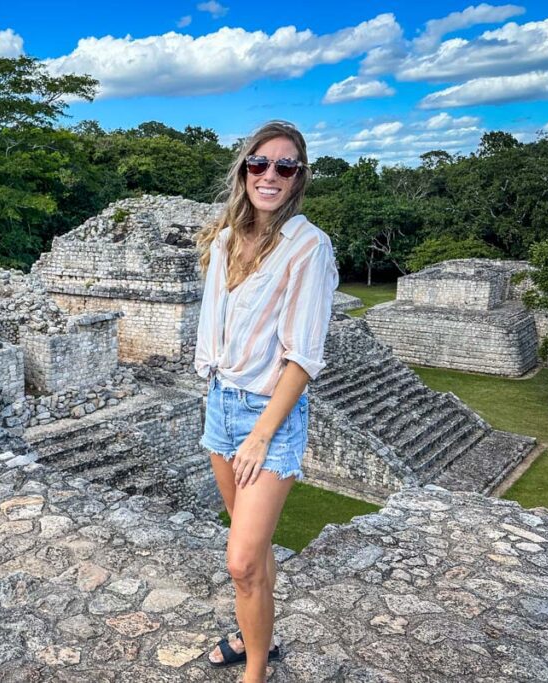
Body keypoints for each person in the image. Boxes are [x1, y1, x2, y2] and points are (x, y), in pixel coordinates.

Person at [192, 120, 338, 682]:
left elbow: (303, 357)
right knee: (251, 550)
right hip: (221, 404)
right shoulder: (227, 237)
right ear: (244, 169)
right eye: (260, 163)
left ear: (298, 178)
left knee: (242, 559)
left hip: (265, 416)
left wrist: (261, 435)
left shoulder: (308, 246)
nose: (269, 175)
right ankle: (259, 638)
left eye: (285, 166)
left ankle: (256, 671)